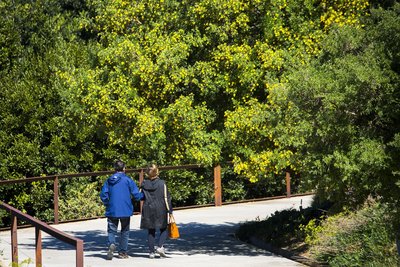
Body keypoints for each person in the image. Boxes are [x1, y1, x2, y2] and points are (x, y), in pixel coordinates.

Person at [100, 160, 143, 260]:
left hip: (112, 209)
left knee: (111, 230)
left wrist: (108, 203)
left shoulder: (109, 180)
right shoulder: (128, 180)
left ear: (115, 169)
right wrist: (144, 195)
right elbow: (136, 195)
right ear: (124, 168)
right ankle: (122, 252)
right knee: (125, 231)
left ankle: (111, 244)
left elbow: (103, 195)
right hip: (125, 209)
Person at [140, 163, 173, 259]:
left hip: (148, 208)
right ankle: (160, 246)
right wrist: (170, 211)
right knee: (163, 228)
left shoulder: (144, 184)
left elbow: (141, 196)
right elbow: (166, 198)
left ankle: (151, 252)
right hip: (160, 208)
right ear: (157, 172)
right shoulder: (162, 183)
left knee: (151, 230)